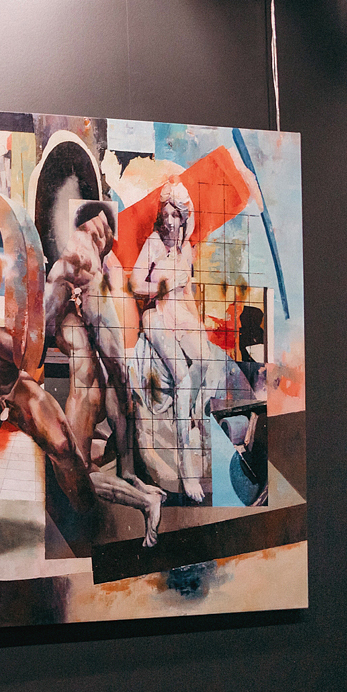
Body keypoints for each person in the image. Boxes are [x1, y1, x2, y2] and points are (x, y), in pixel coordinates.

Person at [0, 241, 160, 564]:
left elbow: (94, 357)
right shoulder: (0, 286)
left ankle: (96, 512)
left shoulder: (62, 303)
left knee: (63, 446)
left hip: (19, 383)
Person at [46, 201, 165, 541]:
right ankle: (138, 488)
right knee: (117, 380)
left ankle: (134, 482)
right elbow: (51, 314)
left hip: (91, 386)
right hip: (90, 388)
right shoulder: (78, 263)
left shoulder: (86, 264)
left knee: (118, 379)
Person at [131, 181, 208, 501]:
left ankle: (186, 412)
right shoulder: (154, 242)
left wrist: (197, 325)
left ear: (184, 217)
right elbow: (135, 283)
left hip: (179, 314)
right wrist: (162, 285)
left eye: (175, 215)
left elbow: (186, 293)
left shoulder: (185, 249)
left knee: (206, 359)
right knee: (182, 378)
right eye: (165, 215)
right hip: (156, 315)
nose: (169, 221)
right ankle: (186, 469)